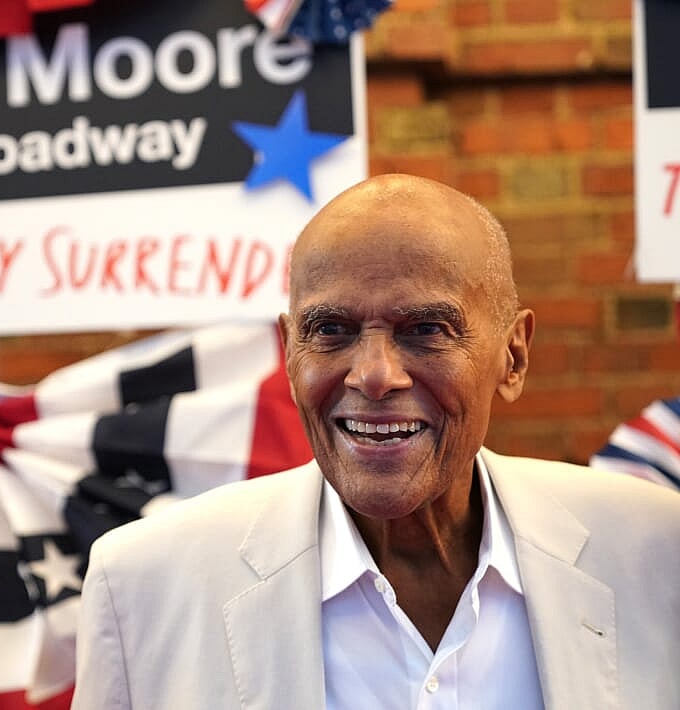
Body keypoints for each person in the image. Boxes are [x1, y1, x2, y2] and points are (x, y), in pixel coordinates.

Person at [70, 174, 680, 709]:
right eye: (330, 330)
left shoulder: (656, 553)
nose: (375, 375)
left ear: (513, 356)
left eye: (427, 329)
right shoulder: (144, 587)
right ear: (289, 355)